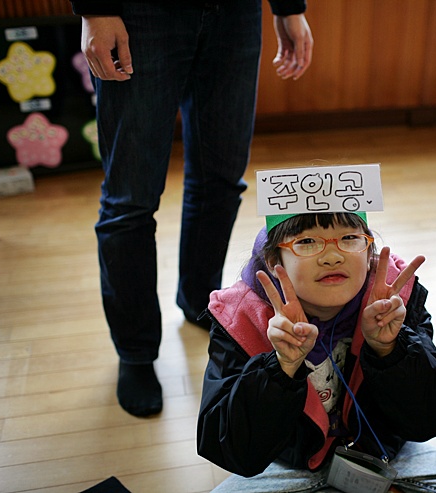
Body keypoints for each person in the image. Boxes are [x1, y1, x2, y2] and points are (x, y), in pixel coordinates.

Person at [71, 0, 313, 417]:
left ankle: (199, 300)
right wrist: (95, 9)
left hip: (236, 12)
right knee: (130, 203)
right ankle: (136, 352)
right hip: (140, 10)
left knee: (221, 182)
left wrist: (288, 7)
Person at [197, 210, 436, 492]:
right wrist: (281, 367)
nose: (332, 256)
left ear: (369, 251)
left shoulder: (394, 300)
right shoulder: (241, 318)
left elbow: (430, 419)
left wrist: (390, 348)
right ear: (273, 261)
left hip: (382, 454)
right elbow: (230, 449)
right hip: (285, 463)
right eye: (306, 242)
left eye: (349, 238)